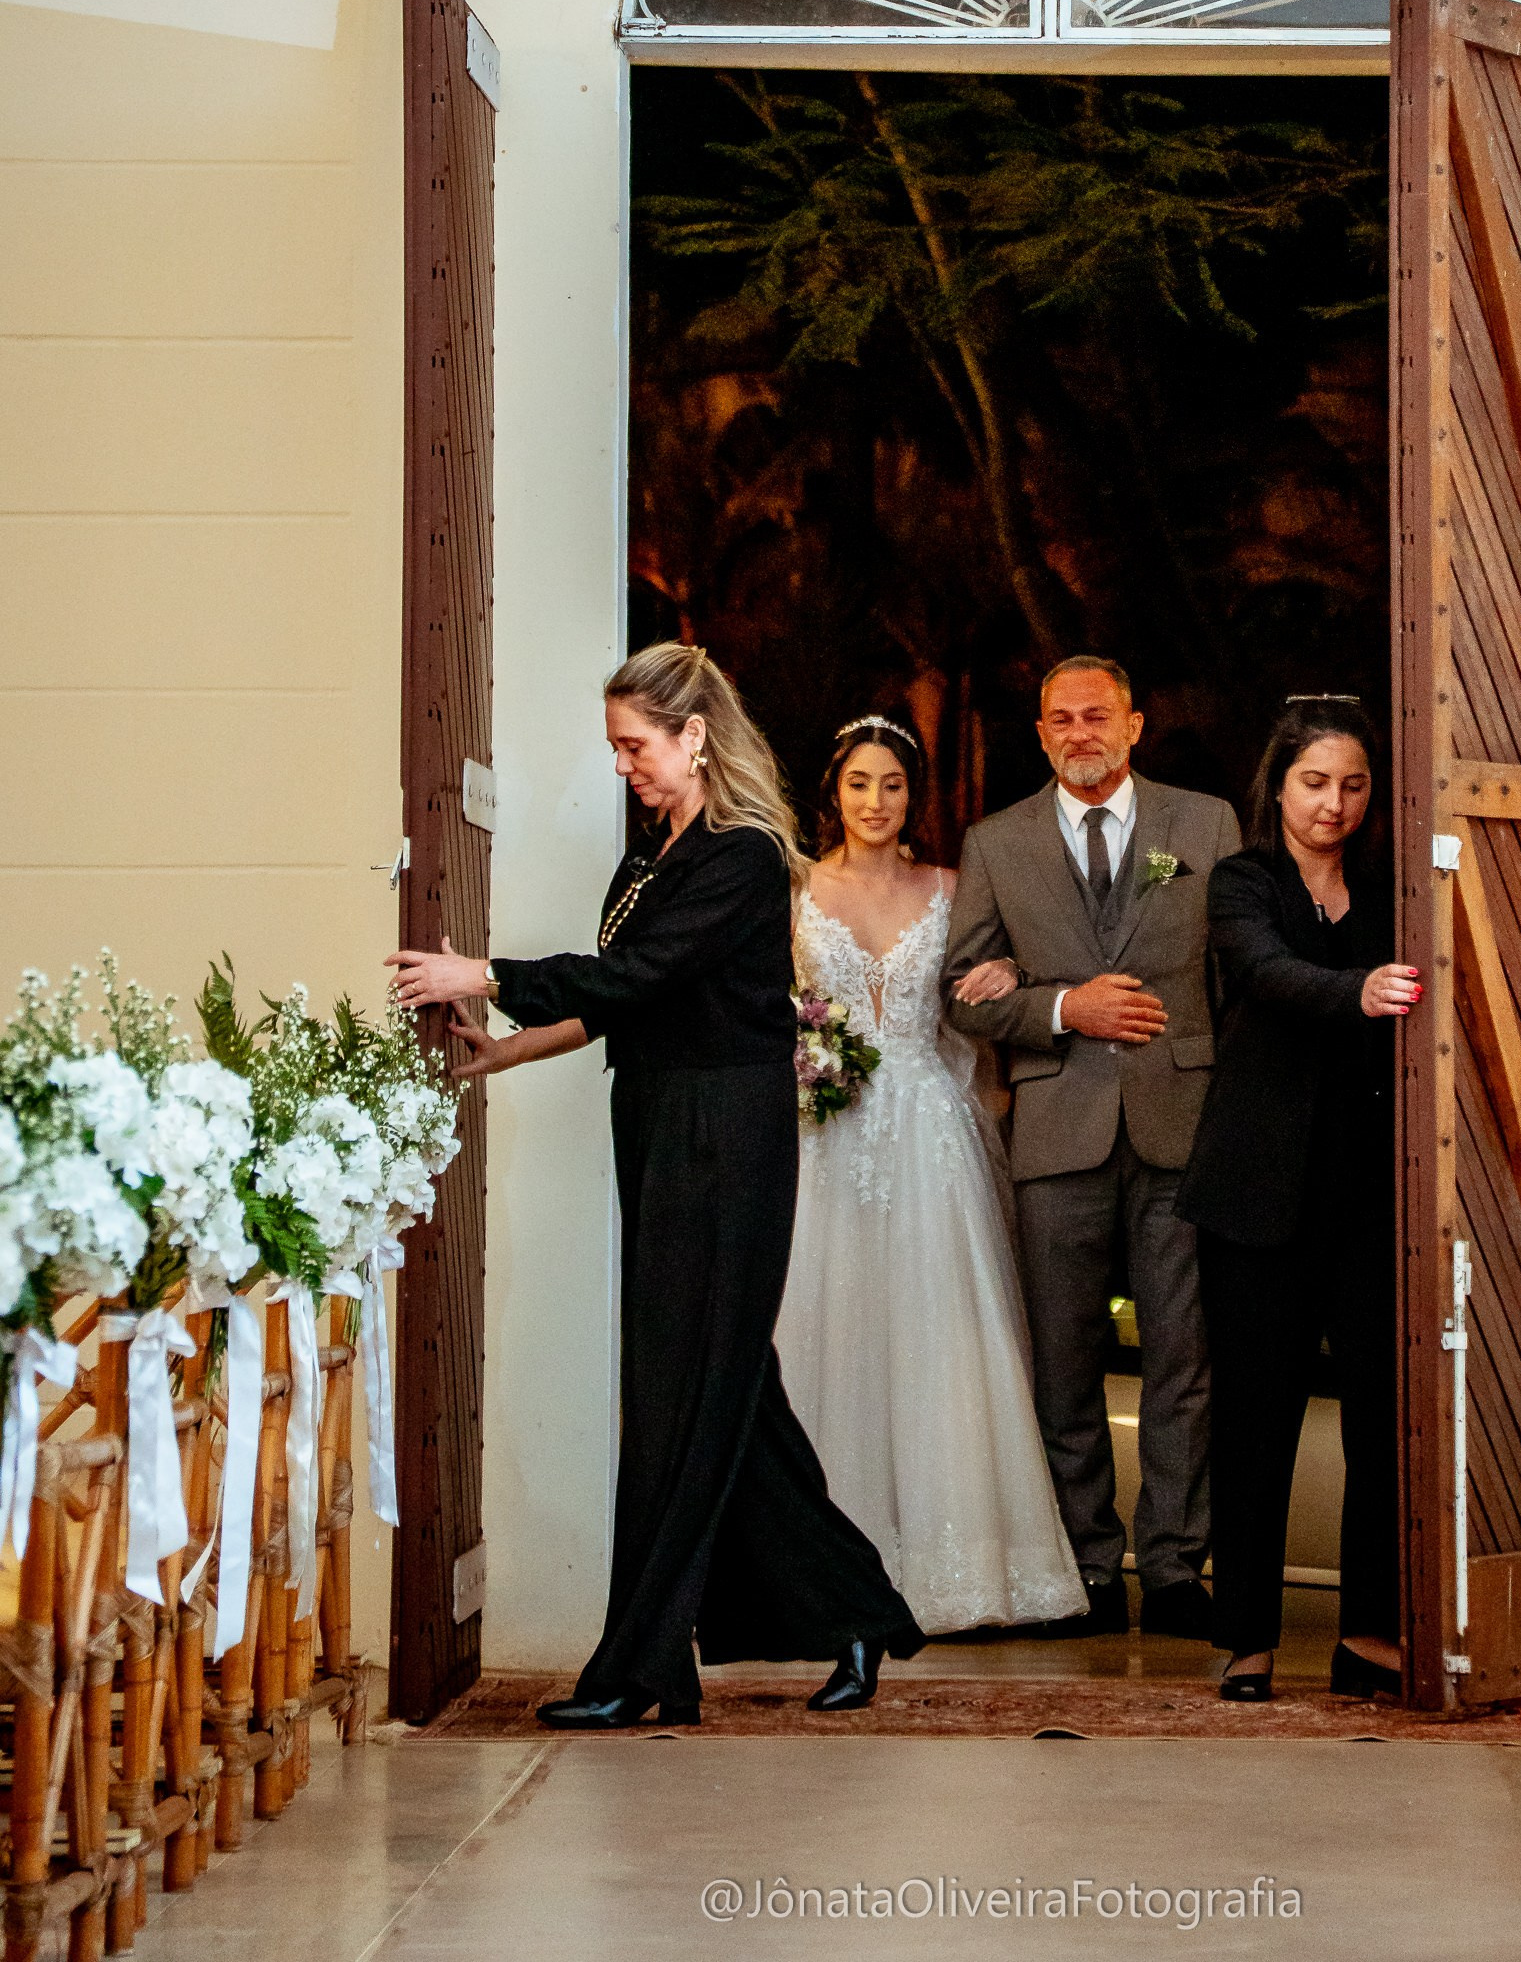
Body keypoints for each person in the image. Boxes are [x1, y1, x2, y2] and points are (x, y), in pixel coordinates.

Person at [385, 642, 922, 1729]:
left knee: (689, 1387)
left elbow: (631, 975)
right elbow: (626, 1002)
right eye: (616, 748)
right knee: (725, 1392)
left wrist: (477, 973)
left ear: (693, 736)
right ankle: (855, 1611)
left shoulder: (741, 855)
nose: (624, 765)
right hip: (665, 1124)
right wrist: (504, 1051)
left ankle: (639, 1673)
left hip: (727, 1131)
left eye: (636, 746)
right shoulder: (654, 856)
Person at [941, 656, 1241, 1642]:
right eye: (1061, 720)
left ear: (1134, 724)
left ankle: (1171, 1569)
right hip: (1056, 1127)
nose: (1080, 733)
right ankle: (1082, 1569)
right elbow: (956, 993)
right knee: (1062, 1360)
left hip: (1177, 1124)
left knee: (1180, 1358)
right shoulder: (995, 843)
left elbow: (1233, 977)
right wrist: (1065, 1005)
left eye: (1097, 716)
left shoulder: (1201, 827)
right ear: (1039, 733)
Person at [775, 715, 1082, 1634]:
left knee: (938, 1337)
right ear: (834, 789)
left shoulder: (951, 889)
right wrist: (801, 1055)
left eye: (894, 786)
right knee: (824, 1336)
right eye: (860, 783)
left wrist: (1000, 985)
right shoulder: (794, 890)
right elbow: (769, 1001)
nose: (876, 802)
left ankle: (959, 1574)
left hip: (931, 1137)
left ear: (916, 795)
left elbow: (976, 1015)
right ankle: (814, 1564)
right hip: (824, 1136)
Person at [1176, 698, 1421, 1704]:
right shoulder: (1242, 881)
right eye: (1314, 783)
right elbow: (1268, 975)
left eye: (1352, 785)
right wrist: (1357, 990)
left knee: (1379, 1415)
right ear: (1277, 784)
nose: (1333, 804)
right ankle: (1246, 1640)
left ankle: (1367, 1632)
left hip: (1368, 1195)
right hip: (1255, 1195)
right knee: (1253, 1416)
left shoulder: (1389, 887)